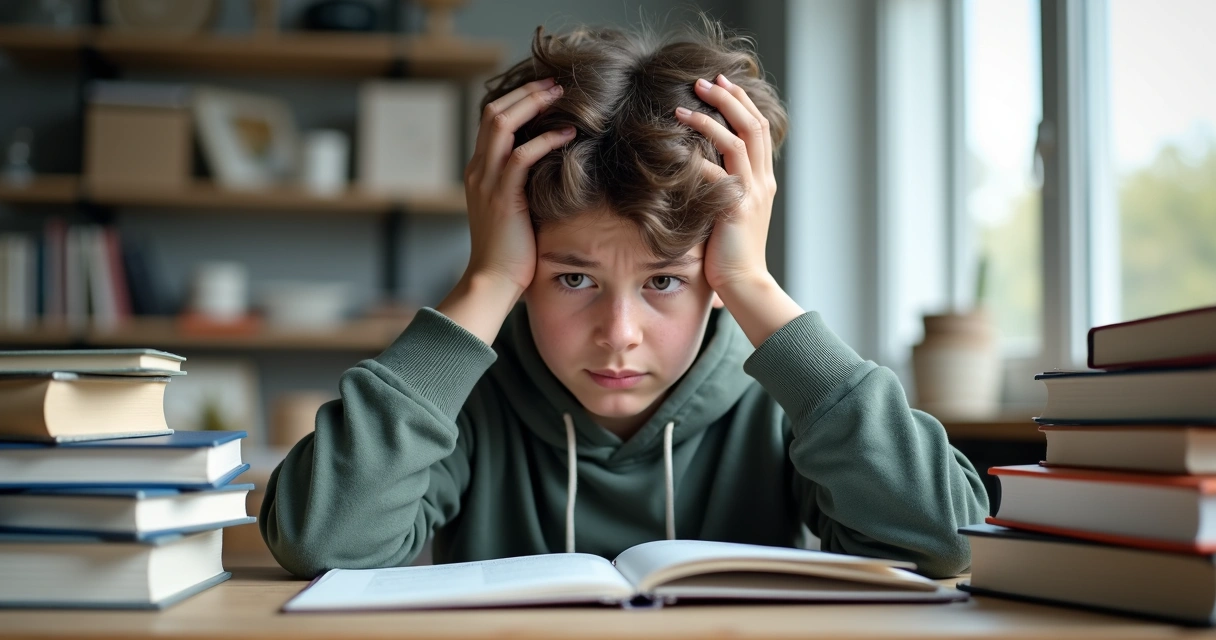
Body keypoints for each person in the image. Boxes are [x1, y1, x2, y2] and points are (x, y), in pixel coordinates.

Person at [260, 18, 989, 580]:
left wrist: (754, 286)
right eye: (572, 278)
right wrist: (484, 283)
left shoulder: (787, 398)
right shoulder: (470, 395)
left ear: (717, 269)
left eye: (664, 281)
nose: (618, 334)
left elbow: (950, 541)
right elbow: (321, 540)